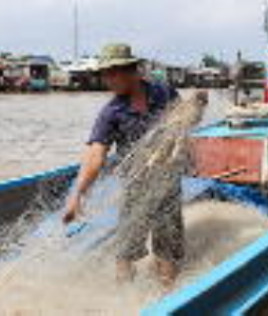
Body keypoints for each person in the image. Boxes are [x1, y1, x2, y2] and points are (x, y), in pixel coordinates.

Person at [62, 43, 184, 287]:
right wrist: (78, 195)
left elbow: (184, 121)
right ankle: (123, 295)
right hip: (135, 185)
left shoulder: (164, 93)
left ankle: (167, 293)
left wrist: (195, 110)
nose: (107, 80)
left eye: (112, 73)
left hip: (167, 182)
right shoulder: (111, 112)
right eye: (104, 74)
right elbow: (96, 156)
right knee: (126, 249)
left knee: (167, 246)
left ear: (131, 71)